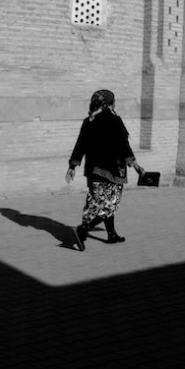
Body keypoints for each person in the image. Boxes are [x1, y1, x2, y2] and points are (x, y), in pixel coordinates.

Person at [66, 89, 145, 250]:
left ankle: (111, 234)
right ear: (110, 103)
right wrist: (135, 165)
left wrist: (72, 166)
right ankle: (83, 230)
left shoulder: (89, 120)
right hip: (112, 170)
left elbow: (80, 144)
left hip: (93, 170)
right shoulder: (114, 119)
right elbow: (123, 145)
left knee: (95, 203)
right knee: (110, 204)